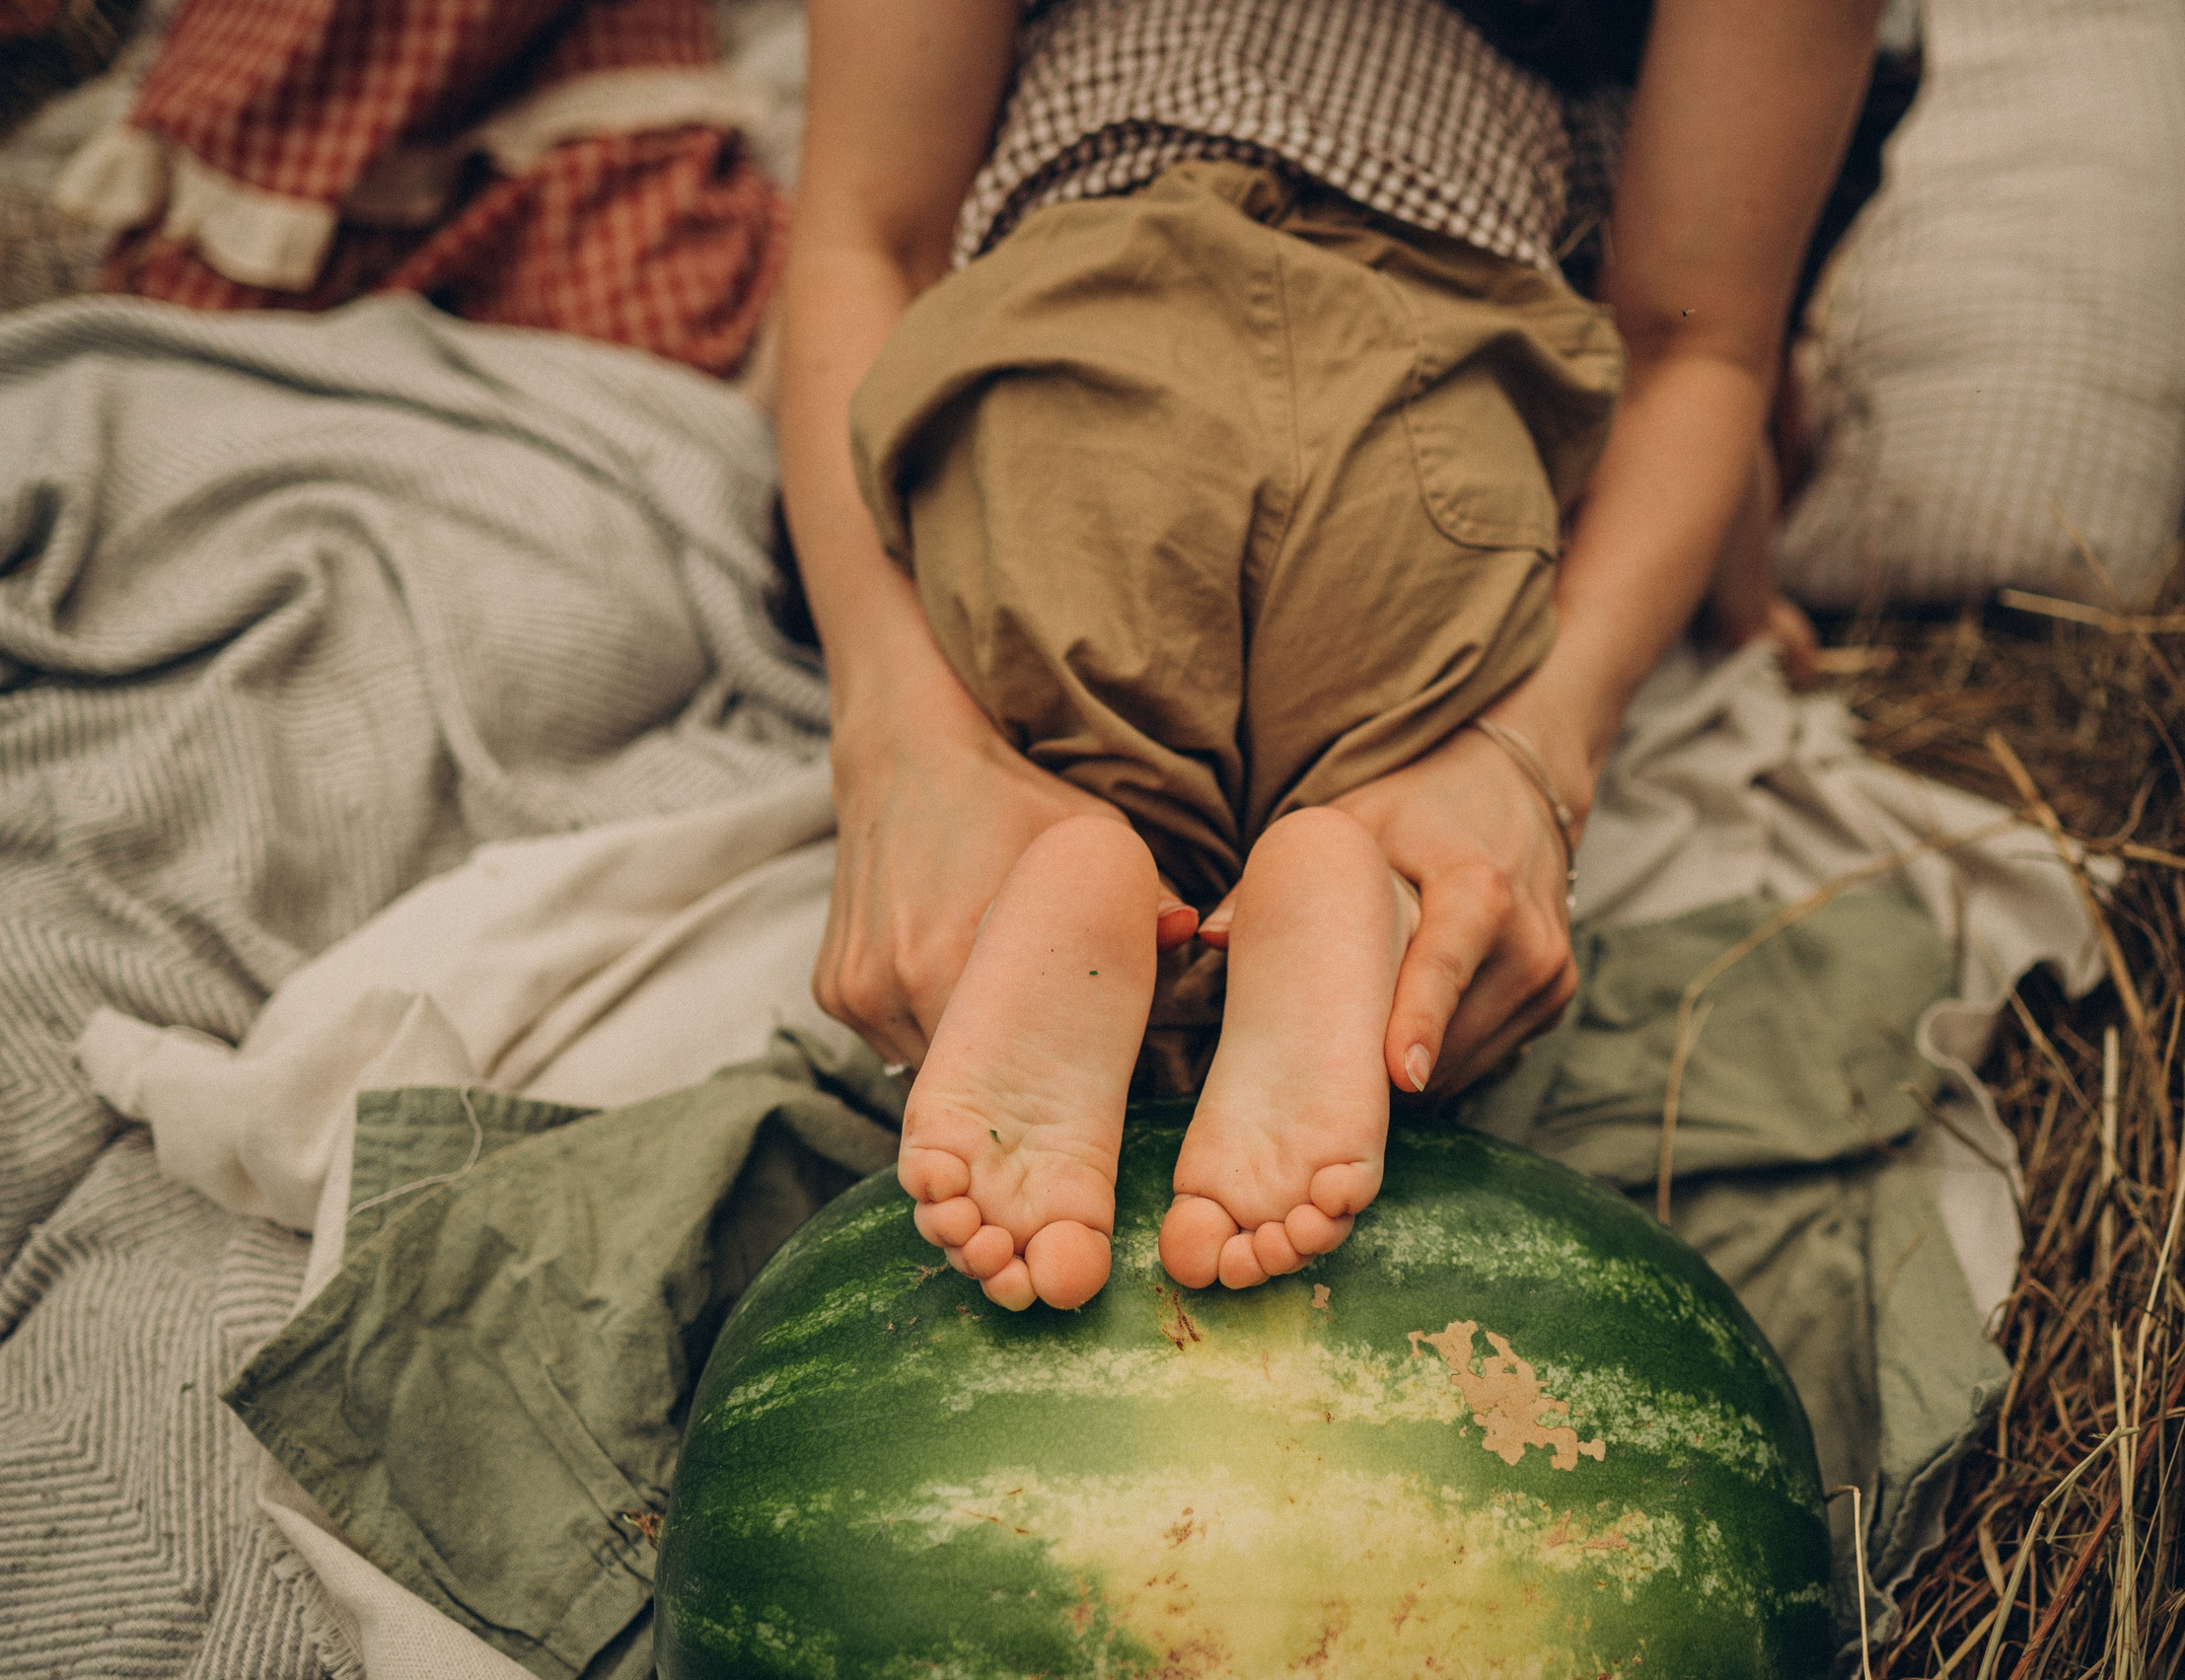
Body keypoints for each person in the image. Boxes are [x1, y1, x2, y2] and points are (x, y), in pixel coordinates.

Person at [779, 0, 1874, 1312]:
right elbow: (1699, 345)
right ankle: (1360, 899)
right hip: (1437, 398)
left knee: (1051, 754)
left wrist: (906, 733)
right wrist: (1685, 654)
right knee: (1405, 798)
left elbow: (866, 235)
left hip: (1072, 356)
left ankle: (1082, 886)